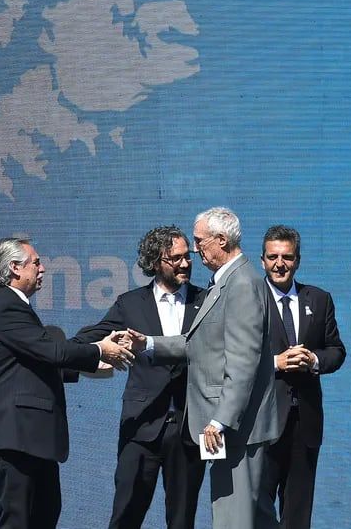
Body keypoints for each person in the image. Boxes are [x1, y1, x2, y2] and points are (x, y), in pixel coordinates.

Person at [126, 207, 282, 529]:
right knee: (256, 518)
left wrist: (220, 420)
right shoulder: (226, 281)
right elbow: (199, 343)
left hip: (236, 429)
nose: (195, 251)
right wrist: (149, 344)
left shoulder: (241, 284)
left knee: (233, 520)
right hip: (233, 428)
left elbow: (243, 361)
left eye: (199, 241)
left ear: (221, 240)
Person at [0, 237, 134, 529]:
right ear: (14, 268)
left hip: (29, 436)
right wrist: (99, 350)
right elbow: (52, 351)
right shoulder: (5, 304)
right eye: (36, 263)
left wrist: (93, 355)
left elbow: (34, 360)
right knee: (18, 520)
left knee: (44, 514)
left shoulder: (12, 306)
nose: (43, 268)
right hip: (16, 434)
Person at [73, 225, 207, 529]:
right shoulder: (130, 303)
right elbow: (87, 339)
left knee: (182, 520)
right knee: (126, 515)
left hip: (188, 427)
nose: (185, 264)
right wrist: (96, 353)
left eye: (188, 256)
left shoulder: (206, 301)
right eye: (176, 258)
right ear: (155, 262)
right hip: (141, 426)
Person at [260, 225, 346, 528]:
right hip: (262, 420)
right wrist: (276, 363)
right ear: (262, 260)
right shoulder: (249, 299)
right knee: (257, 508)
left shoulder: (319, 299)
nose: (279, 264)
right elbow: (233, 357)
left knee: (298, 512)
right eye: (272, 257)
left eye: (287, 257)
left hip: (305, 421)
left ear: (297, 260)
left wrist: (313, 360)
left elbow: (336, 351)